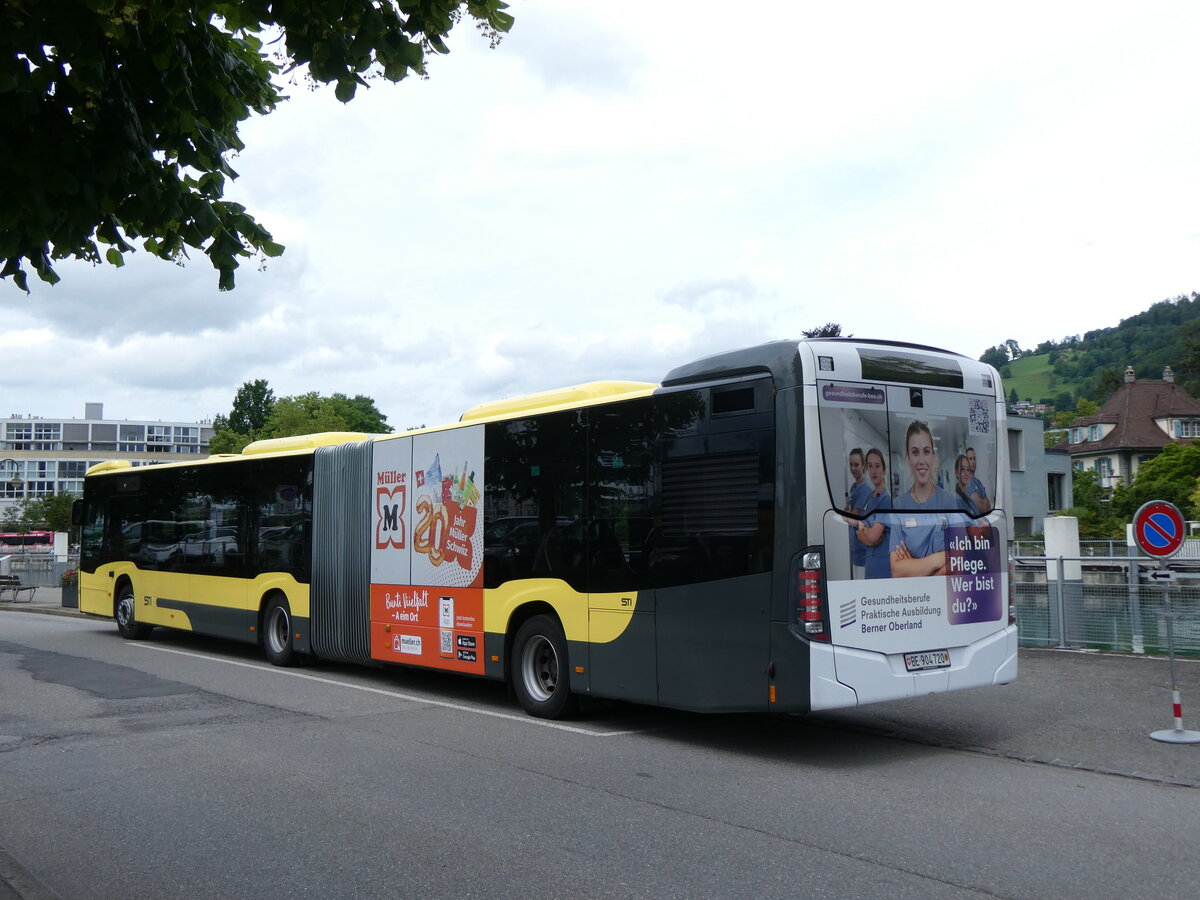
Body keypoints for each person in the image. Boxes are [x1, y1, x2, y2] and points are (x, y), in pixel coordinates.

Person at [890, 421, 962, 577]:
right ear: (908, 458)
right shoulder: (899, 506)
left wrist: (913, 567)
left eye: (926, 452)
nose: (921, 460)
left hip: (942, 591)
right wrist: (939, 559)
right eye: (915, 452)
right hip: (912, 592)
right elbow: (897, 570)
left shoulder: (949, 503)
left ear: (933, 456)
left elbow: (959, 561)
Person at [855, 448, 893, 579]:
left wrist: (864, 531)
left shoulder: (886, 500)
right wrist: (865, 532)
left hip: (883, 568)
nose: (874, 471)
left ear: (884, 469)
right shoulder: (869, 497)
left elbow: (872, 536)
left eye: (877, 466)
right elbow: (861, 532)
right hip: (870, 565)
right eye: (870, 466)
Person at [844, 448, 871, 578]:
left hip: (863, 551)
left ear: (863, 466)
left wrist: (847, 515)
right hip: (855, 549)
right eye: (851, 465)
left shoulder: (865, 489)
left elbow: (852, 515)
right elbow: (846, 511)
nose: (853, 468)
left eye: (856, 465)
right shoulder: (854, 487)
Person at [964, 447, 993, 515]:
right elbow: (982, 508)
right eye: (970, 459)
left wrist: (982, 502)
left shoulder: (978, 482)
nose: (973, 461)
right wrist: (983, 500)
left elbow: (988, 507)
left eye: (974, 458)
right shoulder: (966, 483)